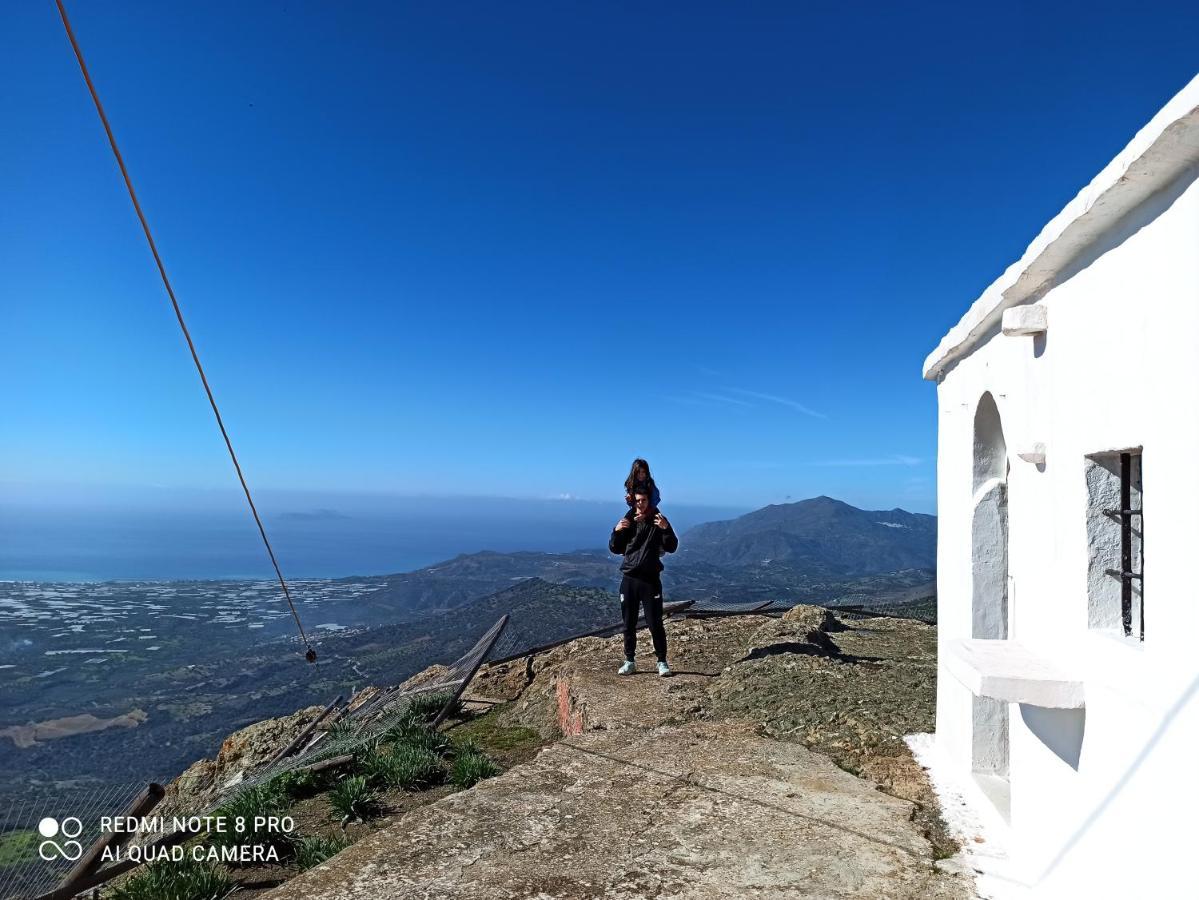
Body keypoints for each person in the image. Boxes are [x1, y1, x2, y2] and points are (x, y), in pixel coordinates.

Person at [609, 486, 678, 677]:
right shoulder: (628, 521)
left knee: (655, 623)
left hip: (650, 580)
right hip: (629, 579)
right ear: (633, 501)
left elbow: (672, 546)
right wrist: (616, 531)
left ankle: (662, 662)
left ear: (649, 501)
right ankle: (630, 661)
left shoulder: (658, 520)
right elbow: (615, 548)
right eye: (638, 500)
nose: (640, 503)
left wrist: (666, 528)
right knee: (628, 623)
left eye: (644, 500)